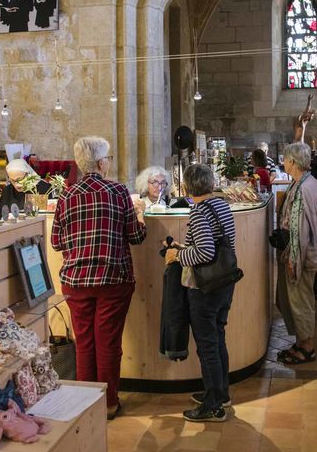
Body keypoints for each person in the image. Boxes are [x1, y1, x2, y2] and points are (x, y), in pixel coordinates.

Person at [50, 136, 147, 420]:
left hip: (76, 282)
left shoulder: (66, 196)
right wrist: (140, 217)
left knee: (84, 342)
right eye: (109, 159)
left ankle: (85, 405)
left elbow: (56, 241)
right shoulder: (118, 191)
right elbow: (136, 236)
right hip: (112, 279)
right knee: (108, 344)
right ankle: (108, 404)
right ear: (102, 163)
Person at [165, 163, 237, 422]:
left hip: (205, 287)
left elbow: (205, 252)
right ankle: (220, 393)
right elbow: (215, 244)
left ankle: (213, 405)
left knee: (207, 346)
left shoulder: (198, 212)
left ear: (186, 187)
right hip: (224, 281)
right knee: (218, 338)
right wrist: (187, 246)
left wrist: (177, 254)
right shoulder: (221, 205)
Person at [275, 142, 317, 365]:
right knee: (300, 300)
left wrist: (295, 260)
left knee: (301, 301)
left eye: (285, 159)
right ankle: (302, 342)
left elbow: (300, 228)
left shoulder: (303, 187)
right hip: (304, 252)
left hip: (302, 255)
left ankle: (307, 348)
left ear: (292, 161)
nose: (283, 163)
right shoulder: (307, 182)